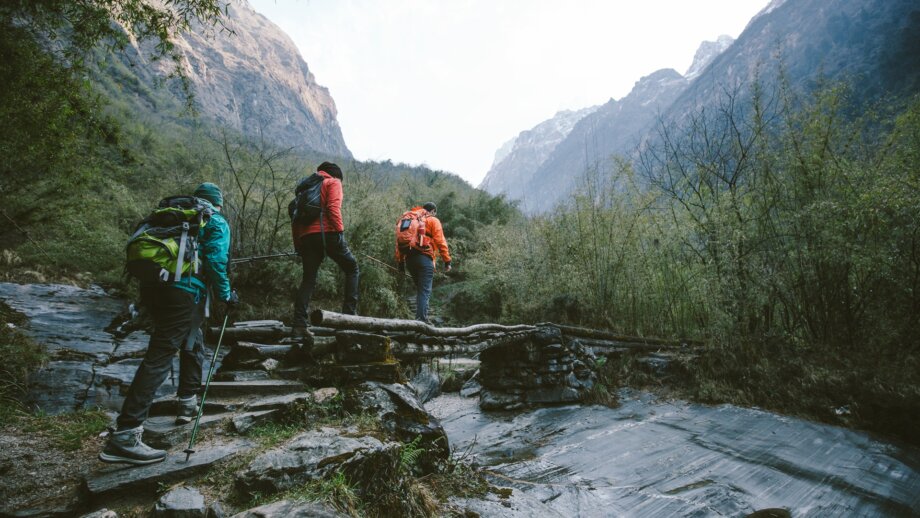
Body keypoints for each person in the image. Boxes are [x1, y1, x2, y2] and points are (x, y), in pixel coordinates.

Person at [99, 182, 238, 465]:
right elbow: (215, 259)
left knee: (192, 338)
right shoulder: (215, 220)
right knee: (161, 355)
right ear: (217, 203)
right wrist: (225, 294)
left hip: (155, 288)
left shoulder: (173, 215)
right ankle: (125, 435)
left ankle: (187, 401)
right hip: (183, 291)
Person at [291, 162, 360, 336]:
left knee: (308, 279)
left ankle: (299, 324)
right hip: (328, 233)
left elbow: (295, 220)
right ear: (335, 175)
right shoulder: (332, 182)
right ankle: (349, 318)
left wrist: (298, 244)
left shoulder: (304, 189)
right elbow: (332, 208)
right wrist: (339, 231)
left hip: (306, 237)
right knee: (352, 268)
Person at [396, 202, 451, 324]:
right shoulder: (432, 220)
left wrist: (400, 263)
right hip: (425, 259)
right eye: (435, 213)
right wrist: (447, 261)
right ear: (432, 211)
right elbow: (440, 241)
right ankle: (421, 322)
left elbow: (399, 242)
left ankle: (422, 319)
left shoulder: (409, 219)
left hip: (409, 260)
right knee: (424, 291)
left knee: (421, 290)